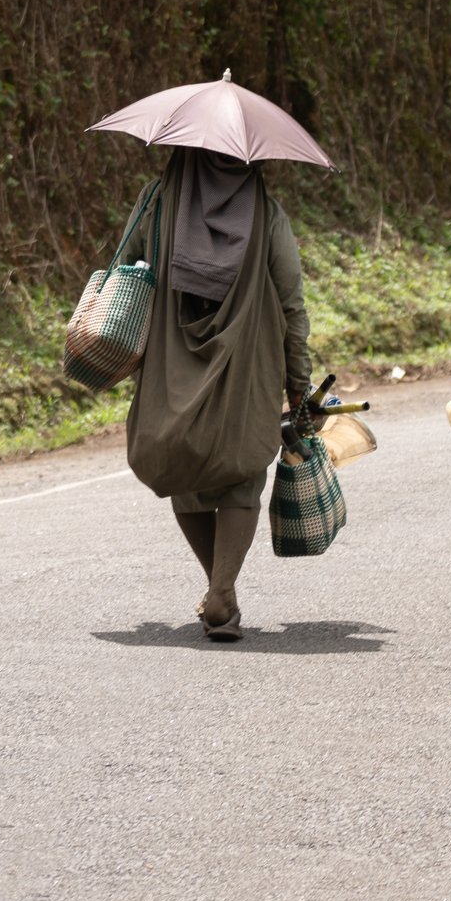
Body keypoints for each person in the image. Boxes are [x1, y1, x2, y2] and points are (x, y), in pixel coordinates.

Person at [116, 146, 311, 640]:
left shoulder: (159, 198)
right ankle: (221, 591)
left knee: (184, 462)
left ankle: (218, 588)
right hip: (248, 360)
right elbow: (290, 300)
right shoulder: (264, 209)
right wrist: (299, 382)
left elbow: (124, 269)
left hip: (170, 356)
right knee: (241, 469)